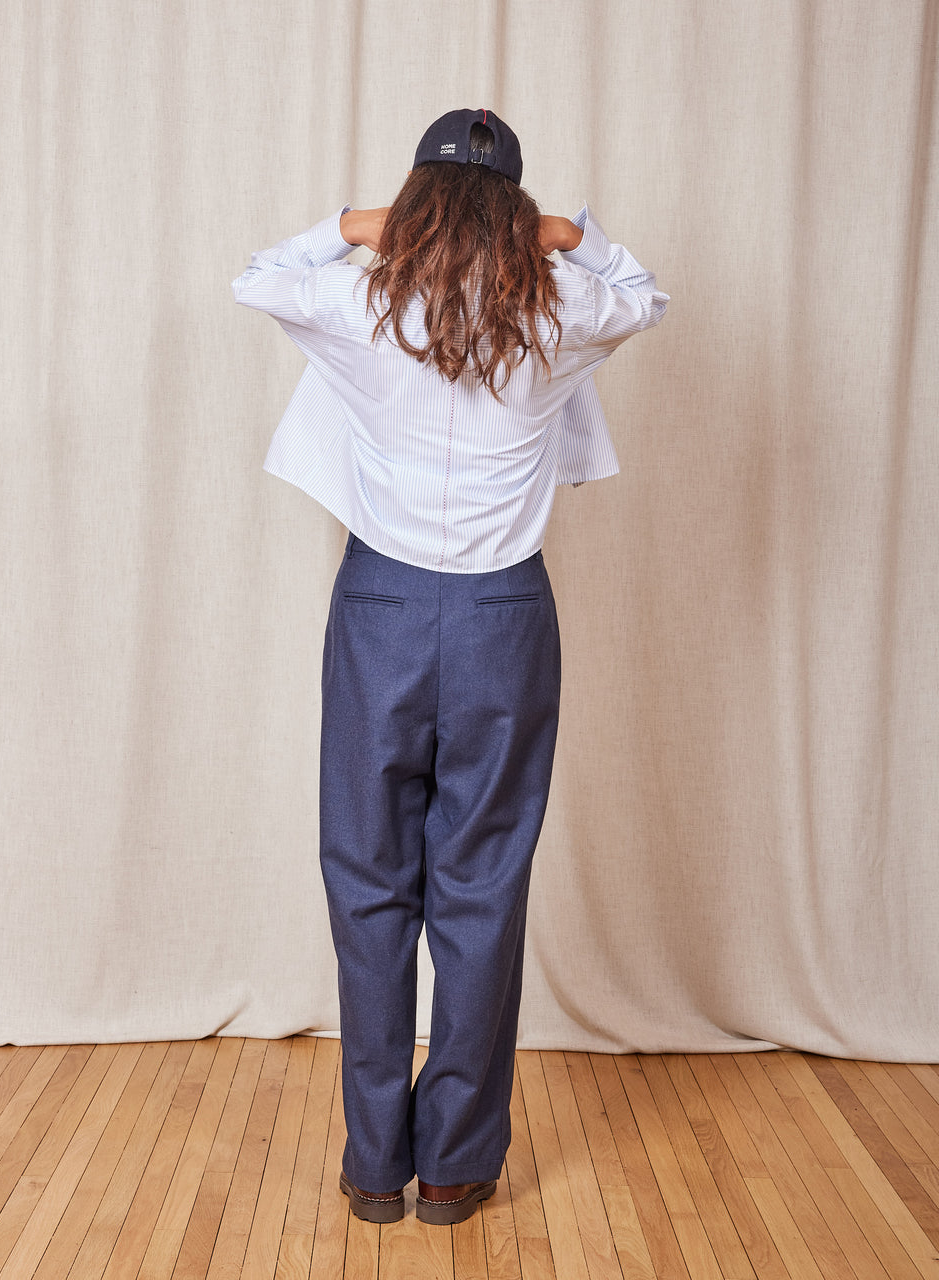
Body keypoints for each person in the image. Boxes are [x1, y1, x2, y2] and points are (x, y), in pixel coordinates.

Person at [232, 108, 668, 1226]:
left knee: (368, 885)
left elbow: (262, 277)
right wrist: (568, 234)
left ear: (418, 200)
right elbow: (645, 293)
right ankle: (456, 1167)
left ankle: (375, 1164)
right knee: (480, 892)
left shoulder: (360, 300)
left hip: (379, 607)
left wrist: (359, 222)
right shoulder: (561, 308)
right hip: (504, 618)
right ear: (517, 207)